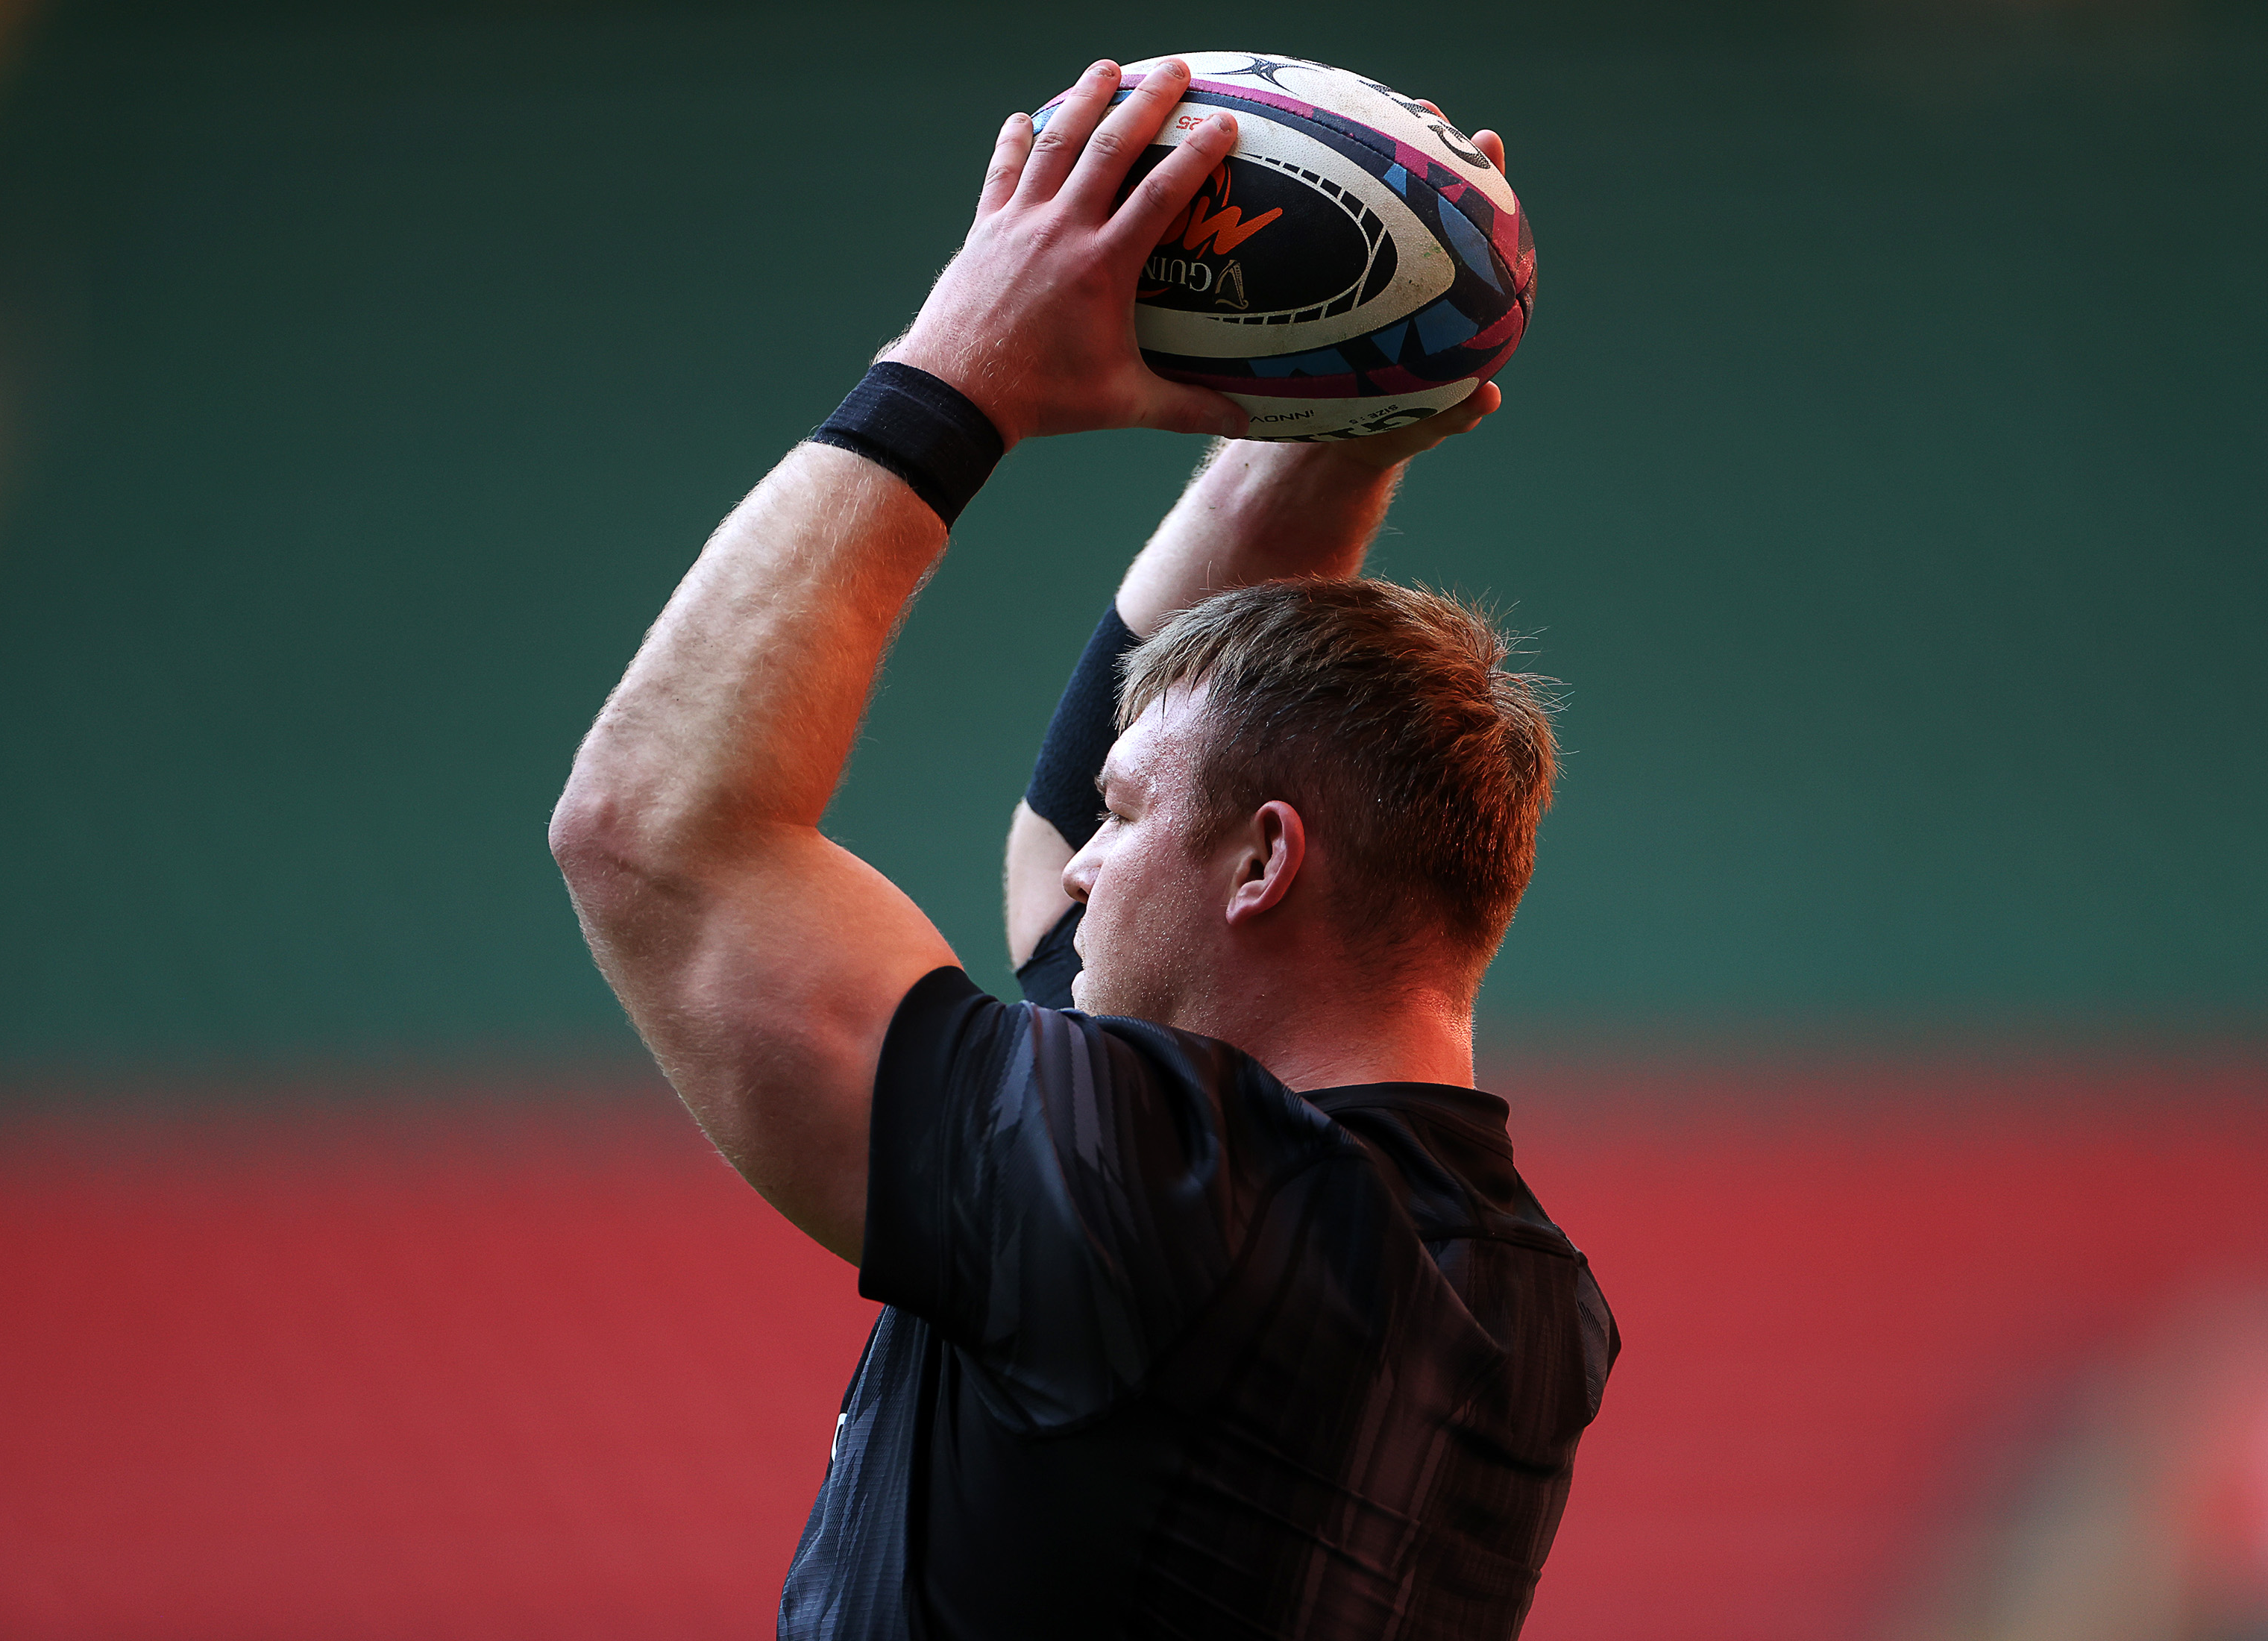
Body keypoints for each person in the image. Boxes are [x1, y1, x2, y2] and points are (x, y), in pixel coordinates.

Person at [550, 57, 1617, 1640]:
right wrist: (1353, 395)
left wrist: (961, 366)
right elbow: (1102, 838)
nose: (1069, 863)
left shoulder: (1168, 1200)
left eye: (1123, 825)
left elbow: (646, 832)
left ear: (1264, 863)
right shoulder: (1525, 1295)